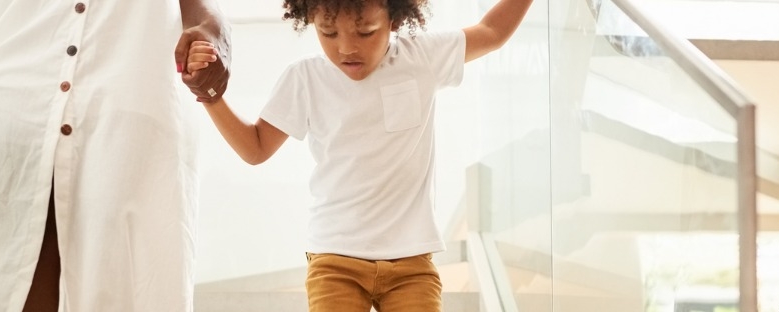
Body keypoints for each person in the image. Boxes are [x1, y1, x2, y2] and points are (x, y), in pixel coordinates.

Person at [180, 0, 531, 310]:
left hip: (412, 264)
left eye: (365, 32)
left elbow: (492, 30)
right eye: (328, 32)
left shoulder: (422, 58)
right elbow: (255, 148)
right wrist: (210, 94)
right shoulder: (305, 78)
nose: (346, 48)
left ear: (394, 19)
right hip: (335, 262)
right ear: (311, 19)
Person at [0, 0, 230, 310]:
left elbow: (205, 11)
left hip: (131, 72)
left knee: (119, 259)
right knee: (11, 251)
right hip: (18, 74)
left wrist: (213, 32)